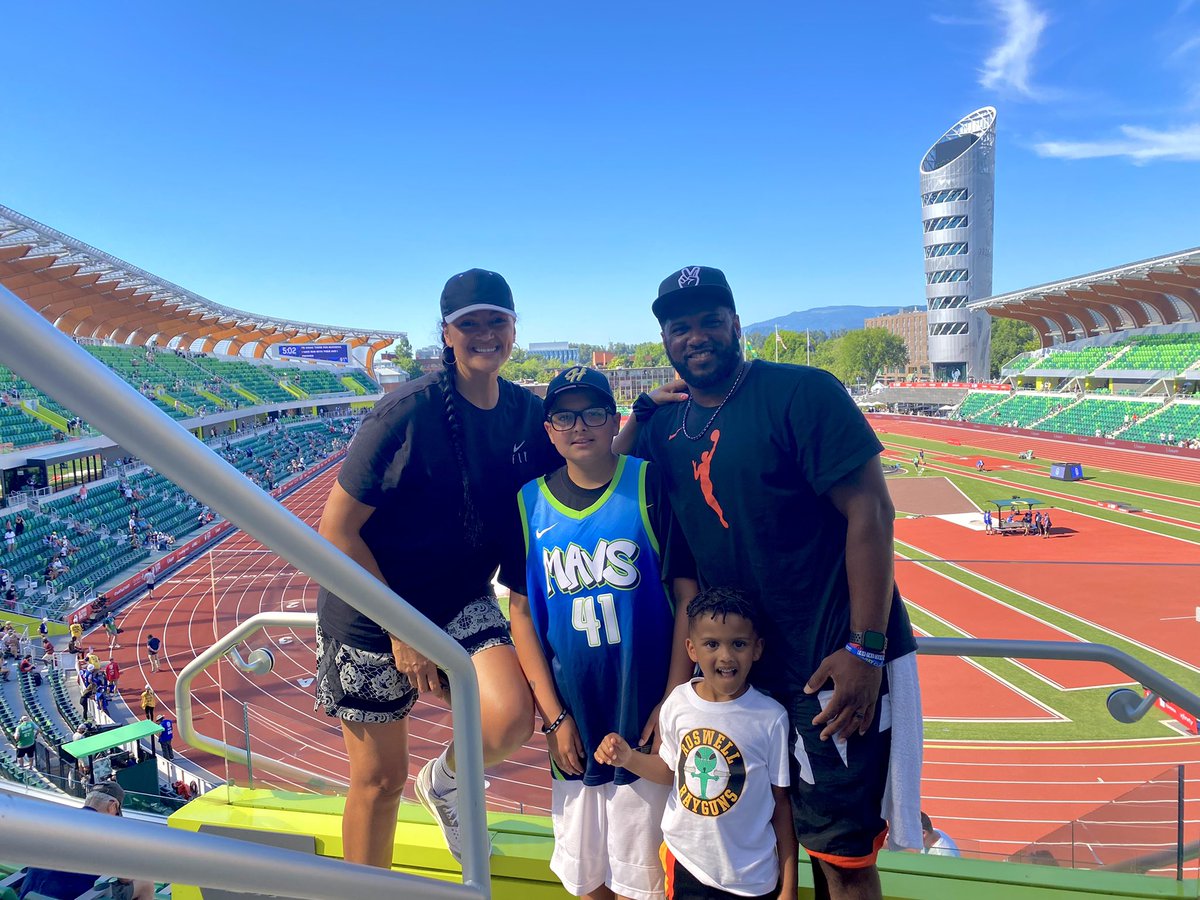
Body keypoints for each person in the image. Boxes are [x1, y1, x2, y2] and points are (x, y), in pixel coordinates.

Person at [614, 266, 920, 900]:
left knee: (842, 855)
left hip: (828, 658)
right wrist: (679, 692)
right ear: (664, 339)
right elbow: (607, 477)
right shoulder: (663, 429)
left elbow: (872, 511)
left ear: (735, 323)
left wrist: (866, 649)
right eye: (679, 326)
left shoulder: (803, 392)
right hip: (736, 672)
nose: (696, 335)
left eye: (708, 320)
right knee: (745, 836)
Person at [314, 269, 559, 867]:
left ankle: (446, 781)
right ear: (446, 334)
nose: (483, 334)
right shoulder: (404, 413)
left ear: (513, 328)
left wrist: (645, 421)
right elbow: (336, 532)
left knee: (507, 720)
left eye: (495, 321)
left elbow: (587, 452)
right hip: (371, 605)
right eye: (468, 324)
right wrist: (402, 631)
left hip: (456, 597)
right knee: (379, 782)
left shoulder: (527, 413)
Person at [508, 366, 697, 900]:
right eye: (564, 416)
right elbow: (521, 613)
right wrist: (554, 717)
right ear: (549, 429)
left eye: (593, 412)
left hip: (643, 716)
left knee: (647, 877)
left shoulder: (648, 483)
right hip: (575, 721)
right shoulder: (528, 504)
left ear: (613, 418)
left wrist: (670, 699)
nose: (580, 426)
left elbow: (686, 596)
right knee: (586, 876)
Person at [595, 589, 797, 900]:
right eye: (712, 644)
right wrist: (627, 758)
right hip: (687, 864)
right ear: (691, 649)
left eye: (738, 644)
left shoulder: (770, 718)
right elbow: (669, 771)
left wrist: (789, 886)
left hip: (752, 877)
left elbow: (781, 805)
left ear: (757, 649)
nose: (726, 656)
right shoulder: (678, 703)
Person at [17, 782, 155, 900]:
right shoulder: (107, 832)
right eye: (117, 812)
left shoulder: (56, 819)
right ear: (112, 806)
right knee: (145, 884)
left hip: (29, 895)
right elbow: (126, 879)